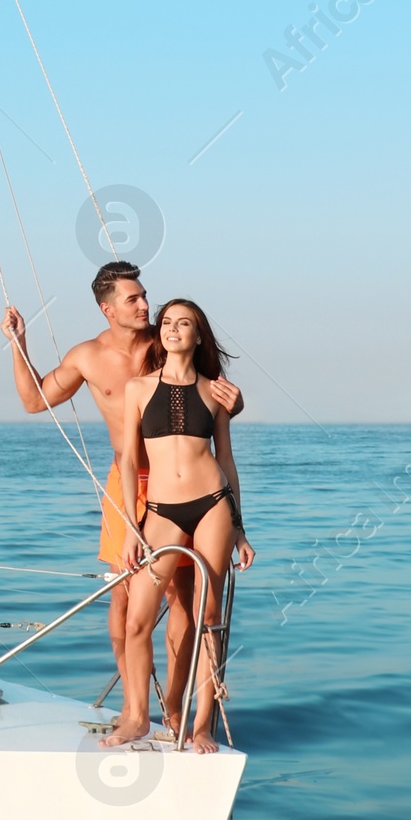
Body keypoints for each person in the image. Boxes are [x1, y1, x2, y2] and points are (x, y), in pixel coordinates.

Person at [1, 261, 241, 685]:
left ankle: (175, 707)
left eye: (145, 295)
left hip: (185, 486)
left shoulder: (168, 341)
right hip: (127, 485)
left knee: (182, 598)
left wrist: (235, 406)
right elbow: (34, 401)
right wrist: (19, 344)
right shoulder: (88, 357)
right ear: (107, 309)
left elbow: (215, 393)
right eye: (134, 299)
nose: (146, 305)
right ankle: (134, 704)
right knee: (124, 598)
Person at [105, 297, 254, 753]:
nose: (171, 329)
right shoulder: (137, 388)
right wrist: (132, 526)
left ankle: (202, 724)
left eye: (182, 323)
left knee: (209, 619)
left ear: (197, 335)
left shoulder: (217, 392)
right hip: (162, 513)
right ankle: (136, 717)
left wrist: (241, 529)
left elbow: (225, 459)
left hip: (212, 505)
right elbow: (130, 461)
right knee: (137, 620)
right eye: (167, 322)